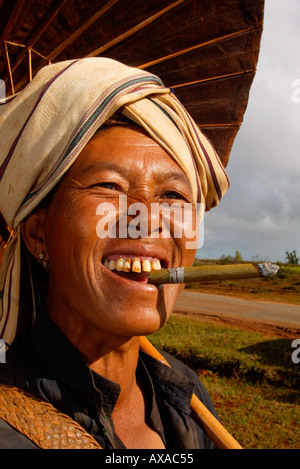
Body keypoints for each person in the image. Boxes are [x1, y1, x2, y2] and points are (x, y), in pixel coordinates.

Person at [0, 57, 229, 449]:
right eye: (109, 185)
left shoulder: (186, 396)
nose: (147, 218)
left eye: (172, 195)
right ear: (40, 234)